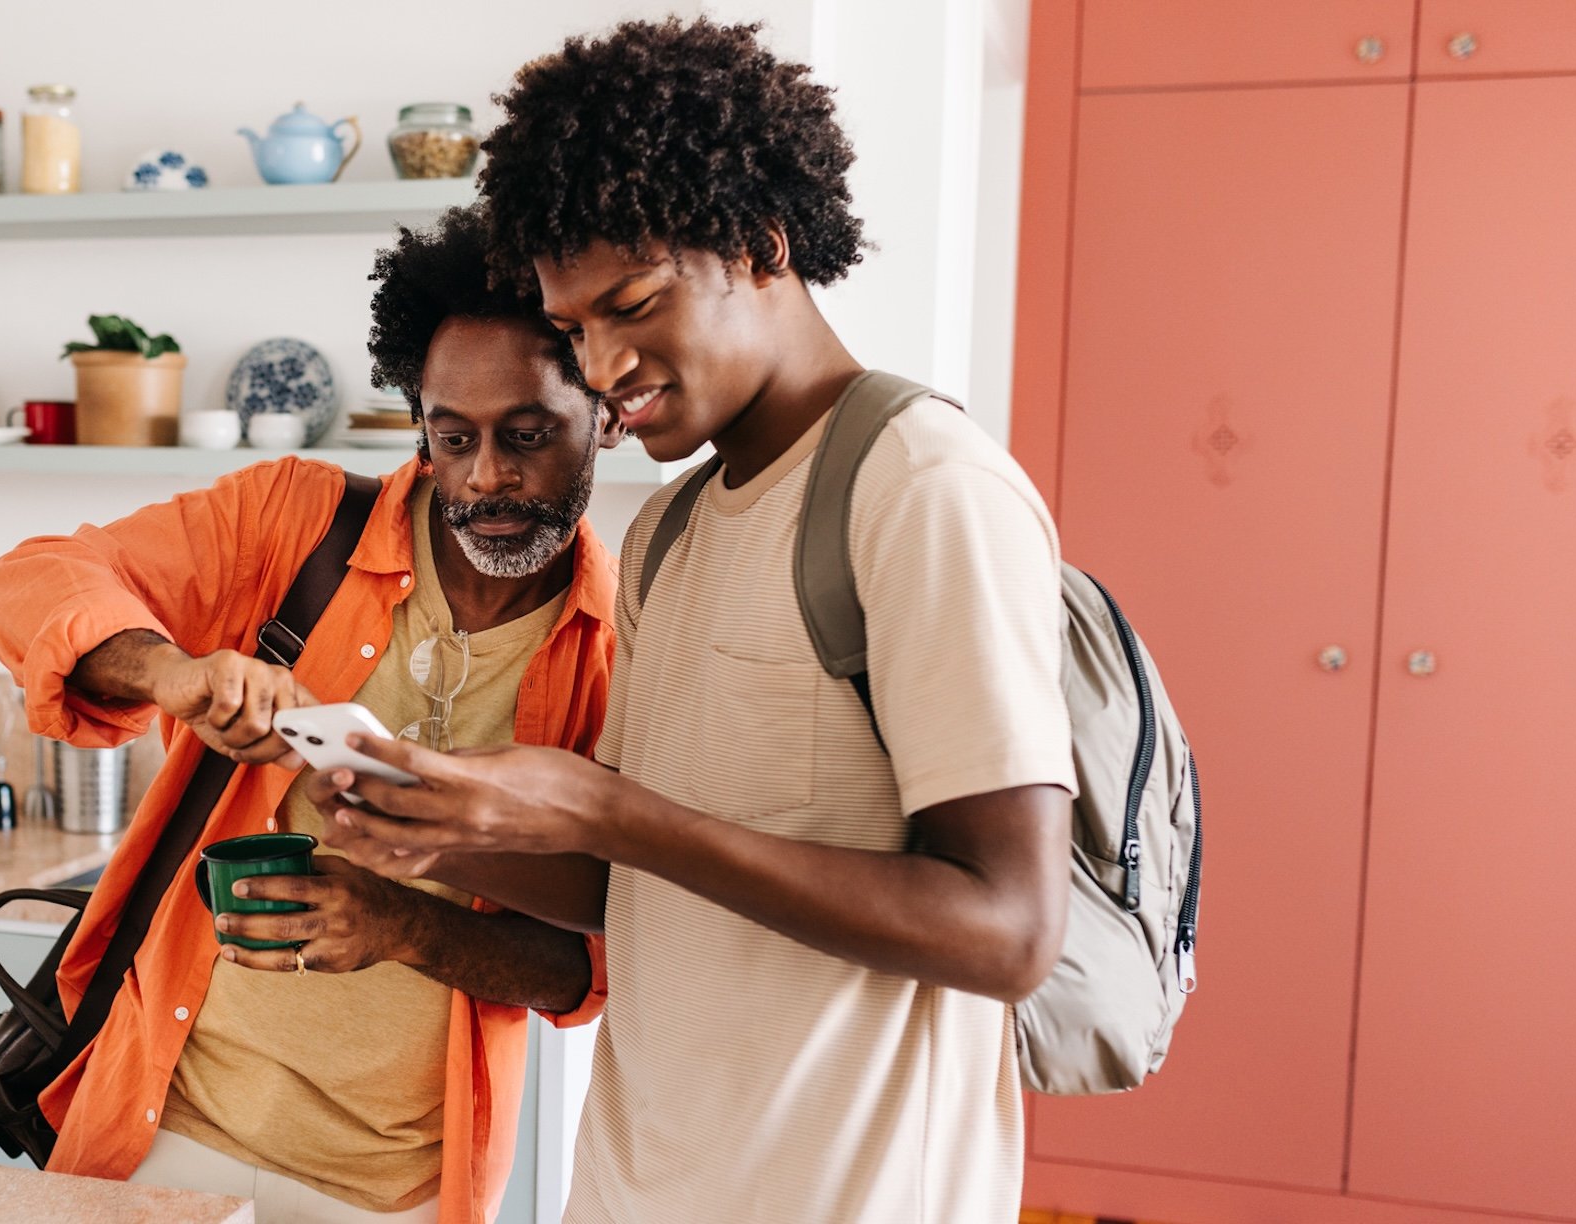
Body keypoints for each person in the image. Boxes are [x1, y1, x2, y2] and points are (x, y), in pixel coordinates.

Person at [307, 19, 1077, 1222]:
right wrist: (432, 831)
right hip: (638, 1186)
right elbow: (641, 881)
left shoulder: (919, 486)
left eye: (633, 304)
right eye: (574, 329)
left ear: (761, 245)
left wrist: (606, 806)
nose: (603, 365)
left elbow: (1007, 933)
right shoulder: (670, 532)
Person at [0, 204, 625, 1224]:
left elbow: (585, 966)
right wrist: (173, 673)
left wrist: (401, 923)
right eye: (450, 437)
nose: (484, 475)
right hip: (160, 1131)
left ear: (609, 416)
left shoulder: (619, 649)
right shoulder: (296, 523)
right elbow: (33, 579)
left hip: (398, 1186)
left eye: (527, 435)